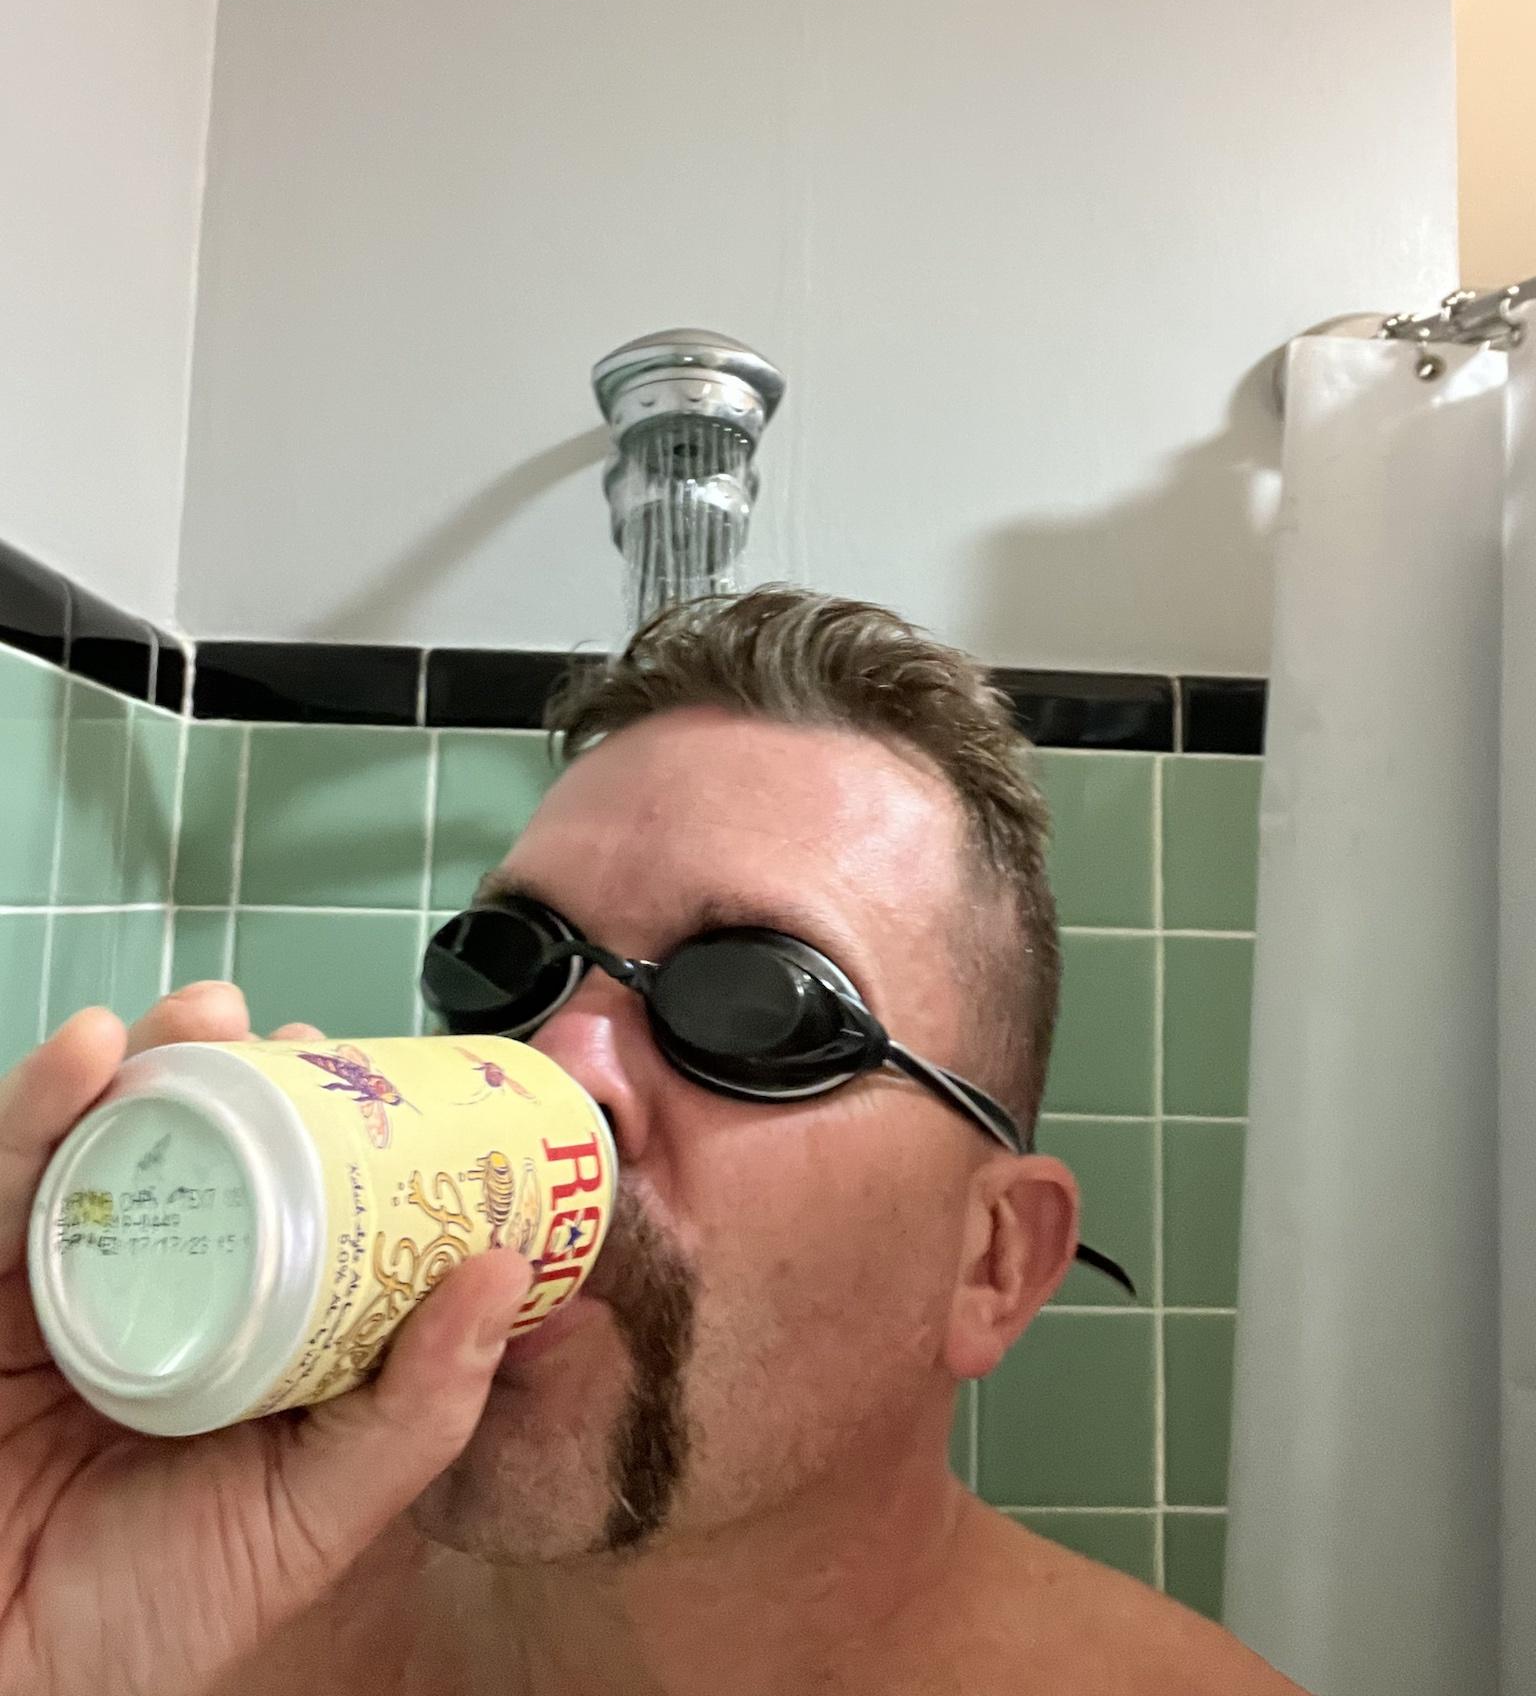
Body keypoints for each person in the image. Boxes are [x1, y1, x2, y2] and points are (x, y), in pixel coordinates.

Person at [0, 588, 1304, 1696]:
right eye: (504, 968)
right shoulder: (188, 1627)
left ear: (993, 1265)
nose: (559, 1068)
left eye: (756, 1005)